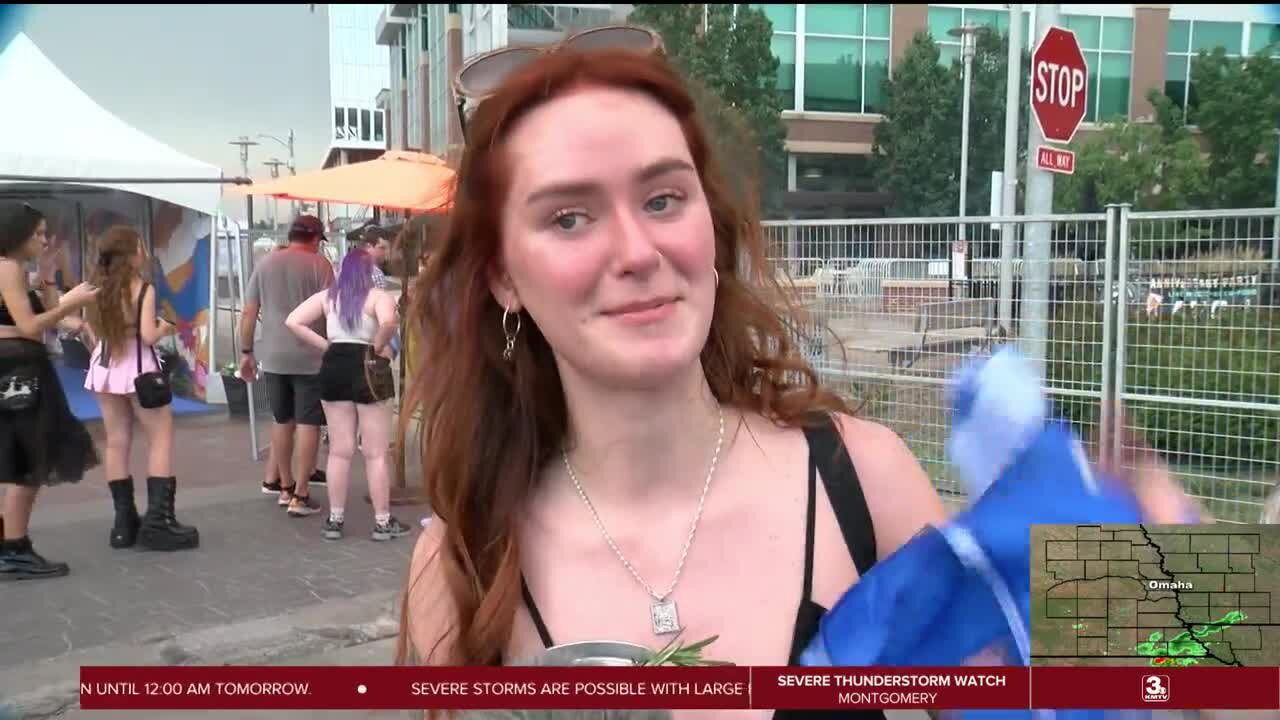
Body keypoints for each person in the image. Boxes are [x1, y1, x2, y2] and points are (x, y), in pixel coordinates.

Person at [395, 33, 1199, 691]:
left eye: (664, 199)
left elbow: (1121, 690)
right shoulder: (463, 561)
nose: (636, 251)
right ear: (503, 275)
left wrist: (1180, 585)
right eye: (569, 218)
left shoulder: (860, 480)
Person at [0, 203, 100, 580]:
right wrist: (72, 303)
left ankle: (12, 543)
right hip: (18, 367)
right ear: (17, 234)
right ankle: (14, 548)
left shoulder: (16, 269)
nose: (43, 240)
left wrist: (47, 281)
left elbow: (47, 317)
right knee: (28, 459)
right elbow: (30, 326)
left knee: (20, 458)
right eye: (38, 234)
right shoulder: (7, 267)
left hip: (19, 365)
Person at [84, 225, 198, 552]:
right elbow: (148, 336)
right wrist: (165, 326)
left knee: (117, 442)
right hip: (139, 370)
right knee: (160, 439)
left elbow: (90, 330)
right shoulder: (142, 289)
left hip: (104, 367)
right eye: (141, 247)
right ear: (133, 254)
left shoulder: (96, 289)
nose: (145, 252)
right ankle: (159, 522)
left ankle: (123, 524)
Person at [285, 247, 409, 542]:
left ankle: (334, 520)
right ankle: (382, 521)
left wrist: (326, 345)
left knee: (340, 451)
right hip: (368, 367)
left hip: (334, 367)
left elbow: (293, 321)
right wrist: (377, 346)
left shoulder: (329, 297)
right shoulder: (379, 297)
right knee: (375, 452)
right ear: (369, 273)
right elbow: (390, 322)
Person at [239, 214, 332, 517]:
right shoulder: (321, 266)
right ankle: (302, 495)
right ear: (316, 239)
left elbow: (249, 312)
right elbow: (333, 313)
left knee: (282, 421)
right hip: (311, 356)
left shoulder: (265, 263)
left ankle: (285, 487)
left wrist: (246, 352)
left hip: (274, 356)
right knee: (308, 424)